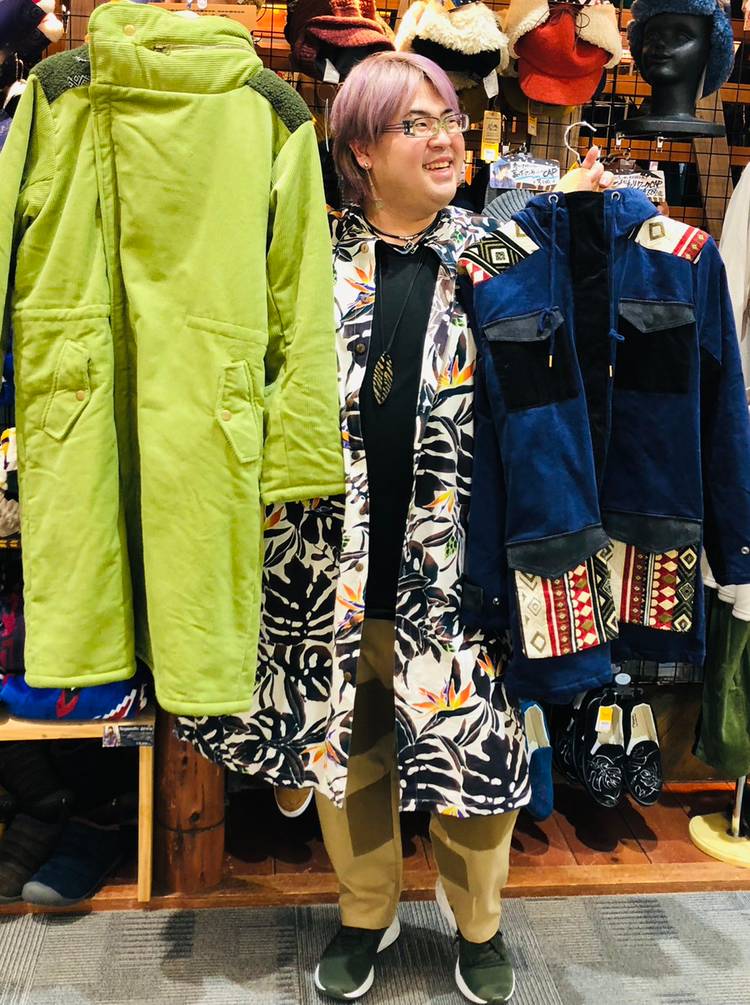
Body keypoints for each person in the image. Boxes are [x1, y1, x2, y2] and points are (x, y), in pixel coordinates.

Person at [178, 51, 612, 1004]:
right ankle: (364, 910)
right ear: (362, 149)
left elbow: (557, 406)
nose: (447, 137)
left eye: (451, 118)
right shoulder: (308, 262)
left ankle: (480, 923)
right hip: (328, 568)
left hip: (459, 574)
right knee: (354, 753)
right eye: (418, 123)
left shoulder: (504, 258)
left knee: (479, 760)